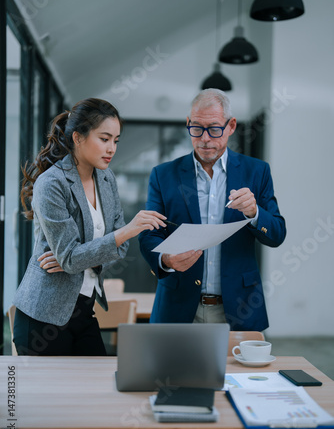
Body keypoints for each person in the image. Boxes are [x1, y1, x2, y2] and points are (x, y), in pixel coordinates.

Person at [13, 98, 166, 356]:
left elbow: (117, 249)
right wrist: (126, 230)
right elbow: (85, 252)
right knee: (55, 397)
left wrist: (78, 259)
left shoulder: (106, 179)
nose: (112, 149)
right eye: (104, 139)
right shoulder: (51, 184)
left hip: (84, 309)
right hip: (43, 317)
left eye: (116, 140)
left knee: (101, 385)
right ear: (78, 137)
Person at [139, 89, 286, 330]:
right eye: (197, 128)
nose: (205, 139)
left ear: (231, 126)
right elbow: (149, 233)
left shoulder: (256, 171)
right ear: (188, 124)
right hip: (178, 307)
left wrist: (254, 213)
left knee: (241, 370)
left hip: (239, 308)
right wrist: (165, 259)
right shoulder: (163, 175)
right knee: (174, 370)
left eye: (215, 129)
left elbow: (278, 234)